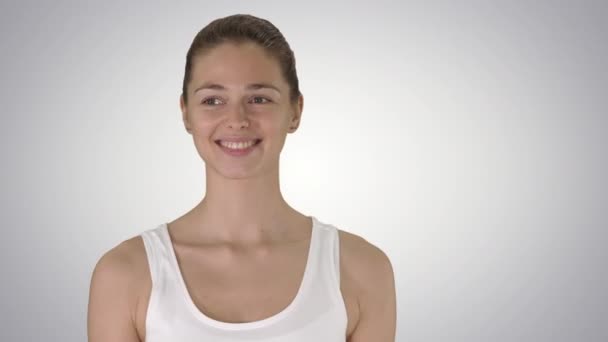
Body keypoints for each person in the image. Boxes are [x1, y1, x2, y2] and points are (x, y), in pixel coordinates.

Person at [87, 14, 396, 341]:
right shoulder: (125, 275)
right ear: (186, 113)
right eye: (213, 100)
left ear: (295, 111)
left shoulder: (361, 270)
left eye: (259, 98)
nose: (236, 119)